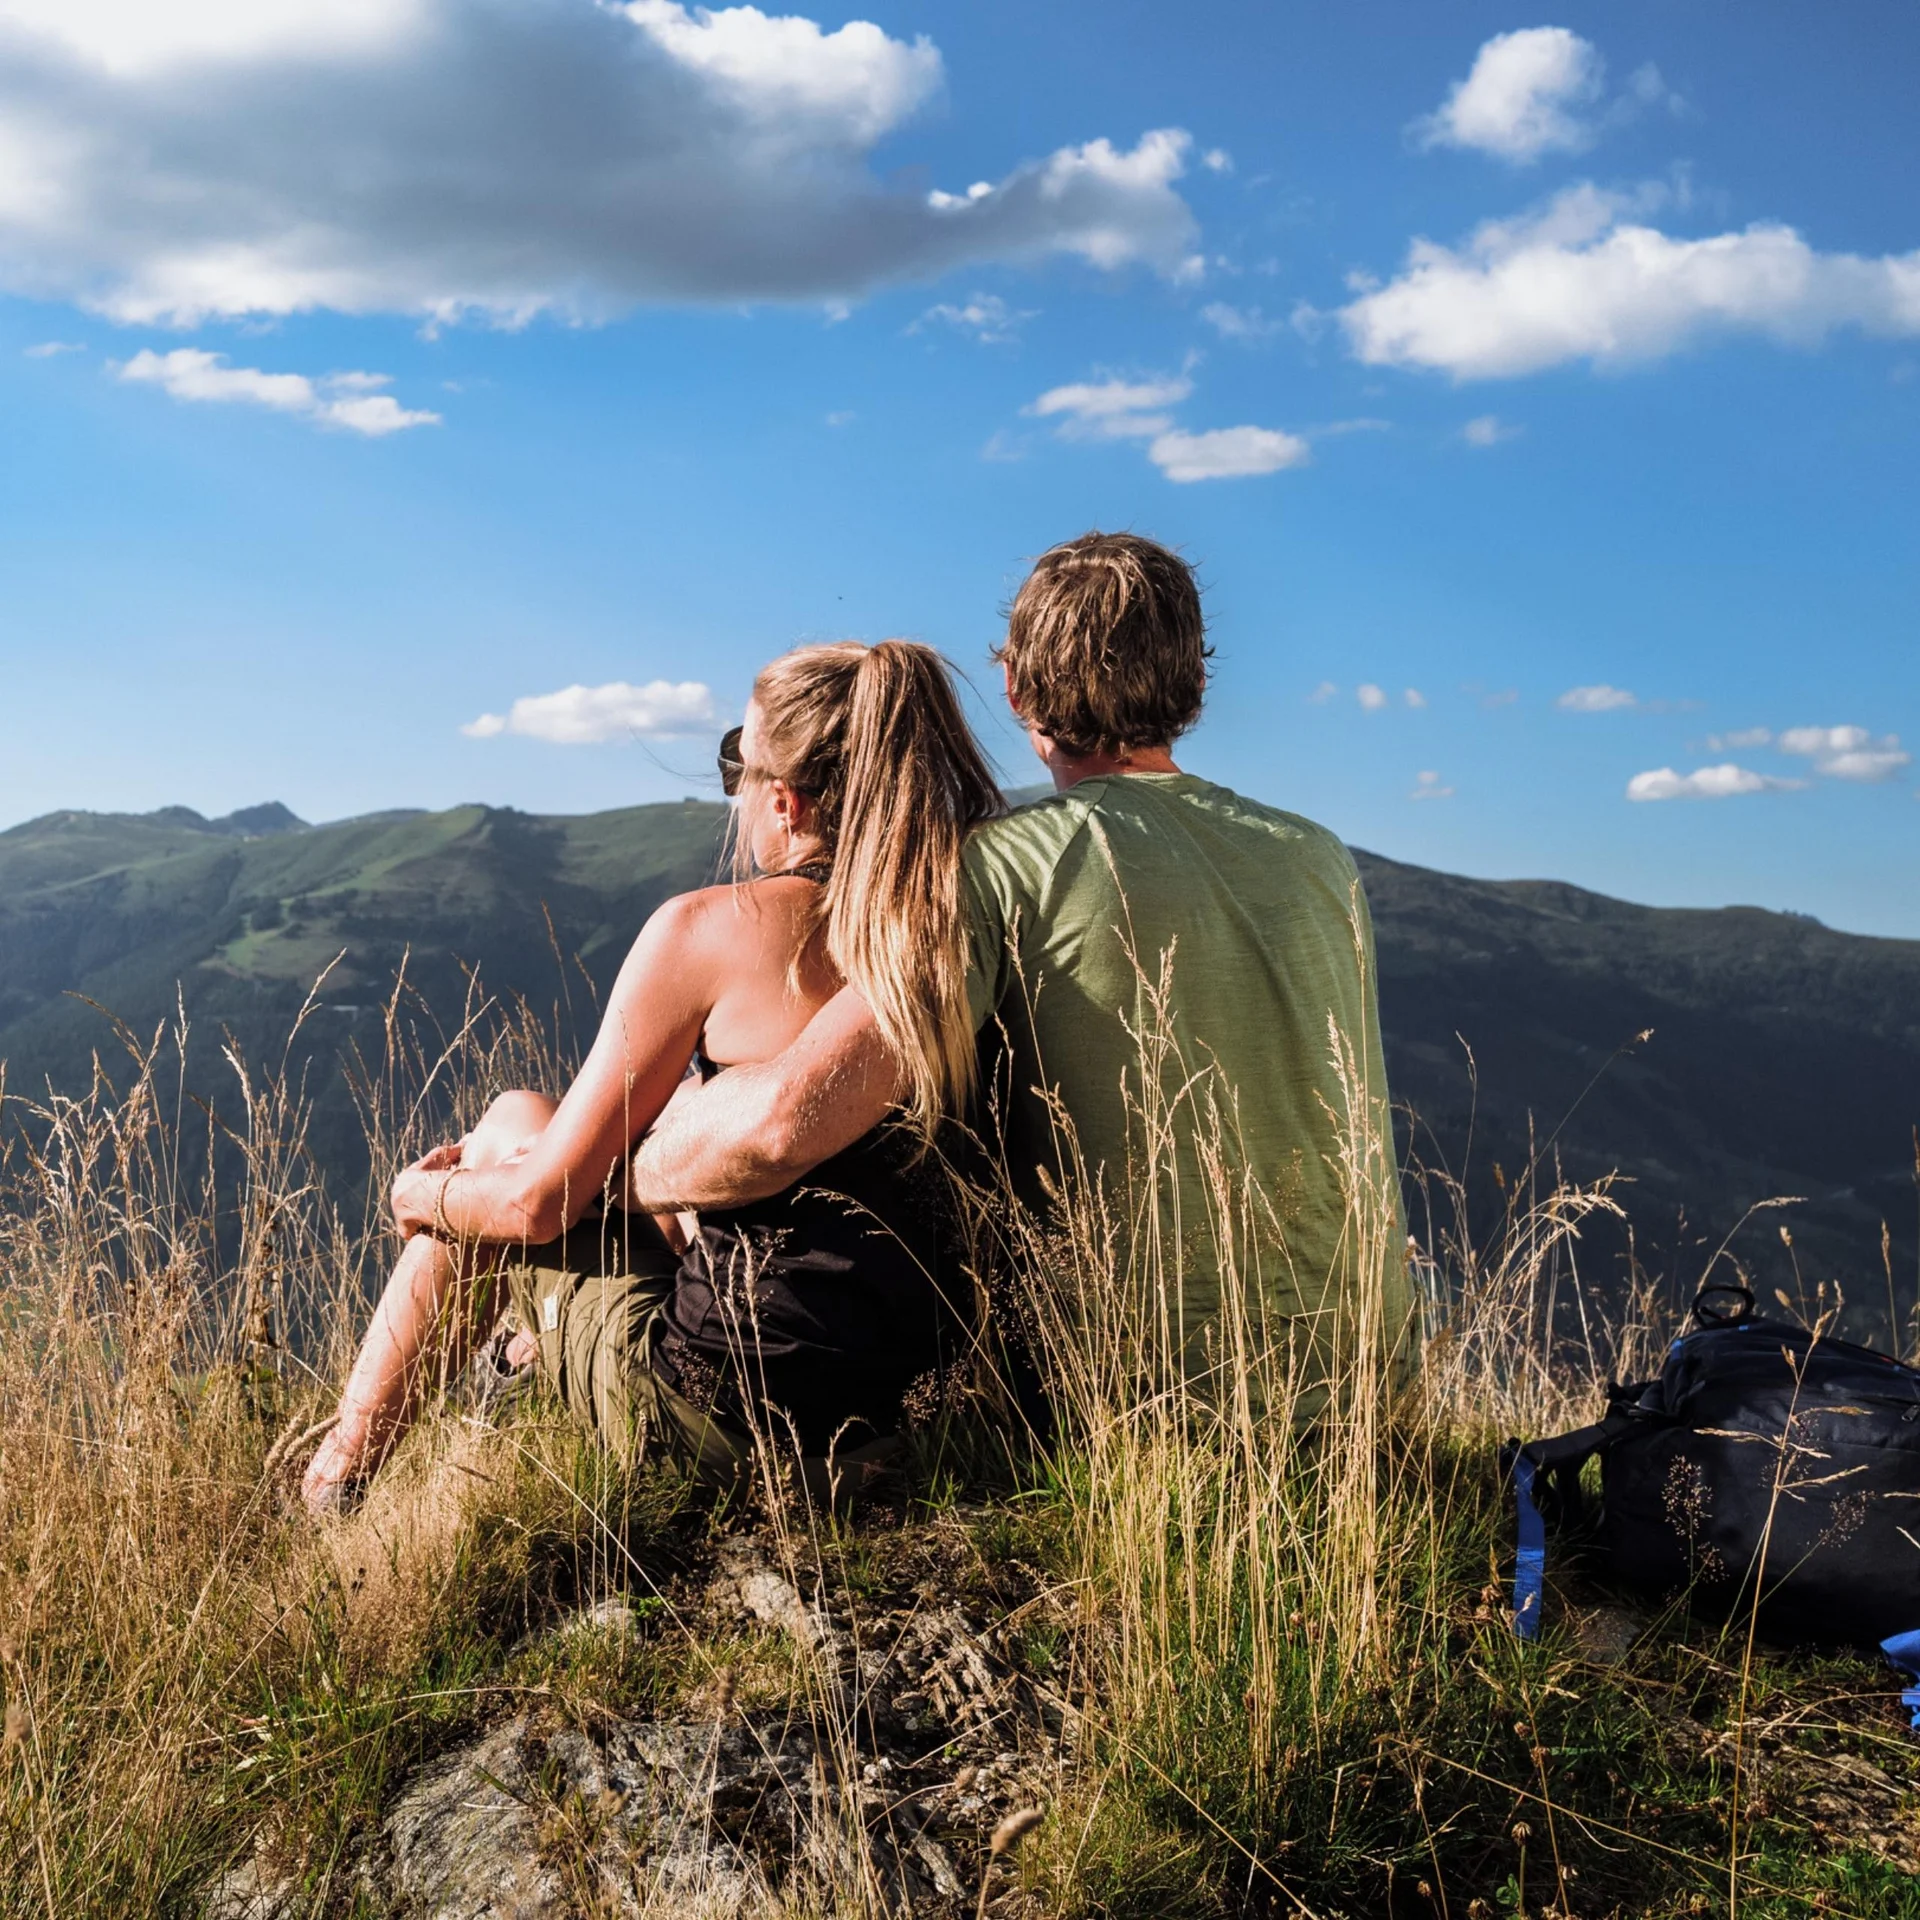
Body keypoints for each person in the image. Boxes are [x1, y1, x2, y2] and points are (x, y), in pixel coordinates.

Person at [623, 532, 1413, 1391]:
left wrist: (628, 1173)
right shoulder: (1317, 858)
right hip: (1367, 1385)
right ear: (1195, 686)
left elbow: (786, 1121)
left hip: (1142, 1396)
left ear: (1015, 689)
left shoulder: (998, 869)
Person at [301, 639, 1003, 1516]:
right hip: (905, 1422)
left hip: (721, 1427)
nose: (735, 790)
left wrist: (423, 1198)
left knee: (508, 1132)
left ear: (783, 801)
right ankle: (511, 1365)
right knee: (598, 1154)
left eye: (734, 767)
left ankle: (333, 1482)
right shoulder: (949, 928)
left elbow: (538, 1205)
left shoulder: (711, 929)